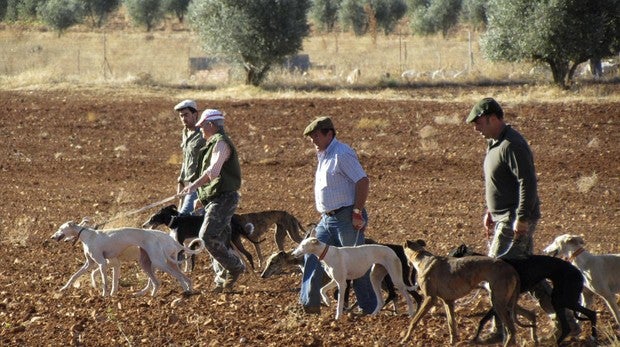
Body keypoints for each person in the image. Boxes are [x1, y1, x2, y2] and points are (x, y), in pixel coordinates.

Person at [466, 97, 576, 342]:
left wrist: (522, 218)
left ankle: (500, 330)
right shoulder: (495, 144)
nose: (476, 128)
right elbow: (500, 184)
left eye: (479, 122)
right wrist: (489, 212)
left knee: (496, 274)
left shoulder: (513, 144)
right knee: (528, 275)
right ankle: (566, 321)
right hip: (503, 217)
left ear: (494, 118)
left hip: (514, 220)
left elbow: (528, 183)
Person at [299, 116, 377, 315]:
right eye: (310, 137)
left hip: (346, 217)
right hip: (327, 219)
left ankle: (369, 308)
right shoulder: (324, 154)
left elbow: (362, 181)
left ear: (329, 134)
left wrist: (357, 213)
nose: (312, 140)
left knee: (356, 262)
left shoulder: (341, 153)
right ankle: (310, 305)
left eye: (316, 136)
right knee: (311, 254)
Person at [179, 109, 244, 293]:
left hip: (224, 199)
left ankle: (235, 267)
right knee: (220, 240)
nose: (199, 129)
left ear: (211, 125)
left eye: (202, 126)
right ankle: (222, 282)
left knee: (207, 236)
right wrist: (202, 197)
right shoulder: (213, 143)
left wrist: (192, 187)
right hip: (216, 198)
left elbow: (213, 172)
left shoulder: (221, 144)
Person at [173, 99, 206, 215]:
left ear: (195, 114)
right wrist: (180, 182)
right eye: (181, 116)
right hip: (187, 184)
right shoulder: (185, 132)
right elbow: (186, 160)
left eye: (186, 115)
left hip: (200, 184)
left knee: (183, 217)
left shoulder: (204, 133)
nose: (183, 119)